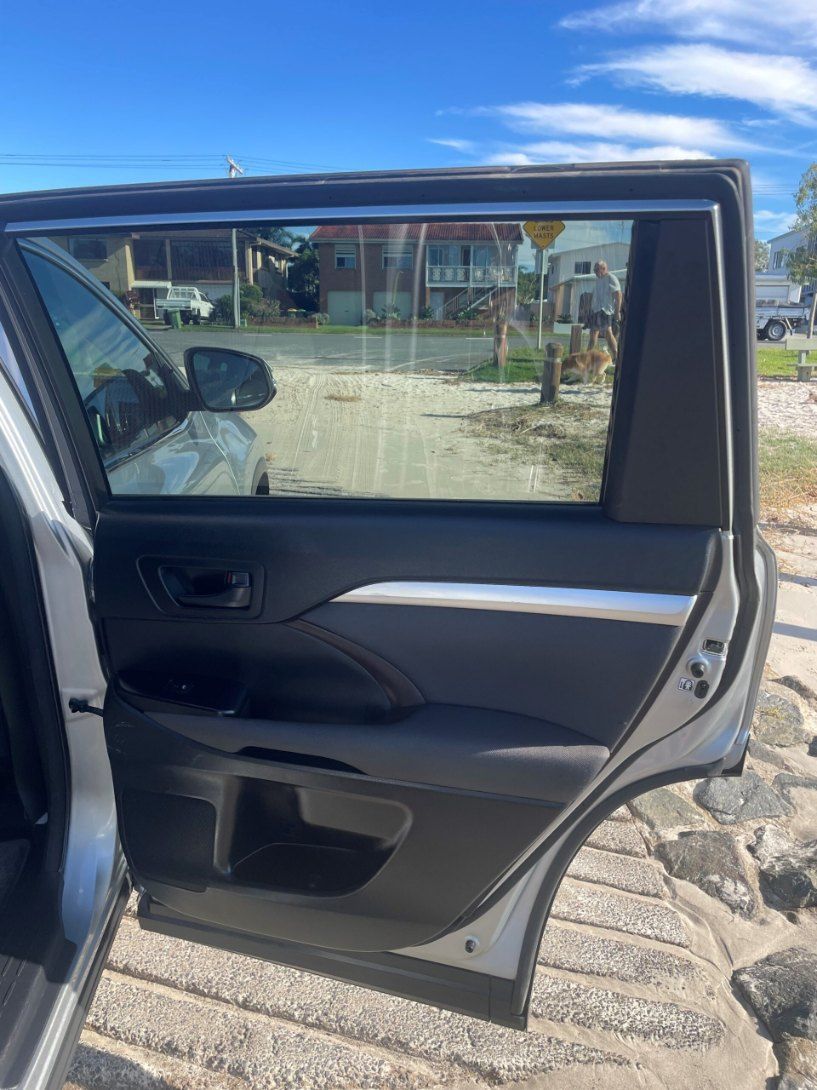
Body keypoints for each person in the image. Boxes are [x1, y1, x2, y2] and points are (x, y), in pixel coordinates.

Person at [587, 260, 622, 360]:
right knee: (593, 333)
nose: (594, 272)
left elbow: (618, 295)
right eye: (594, 270)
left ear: (603, 268)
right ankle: (587, 357)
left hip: (605, 310)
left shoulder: (611, 278)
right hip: (596, 310)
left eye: (596, 270)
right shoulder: (598, 280)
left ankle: (616, 356)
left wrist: (617, 311)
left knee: (608, 333)